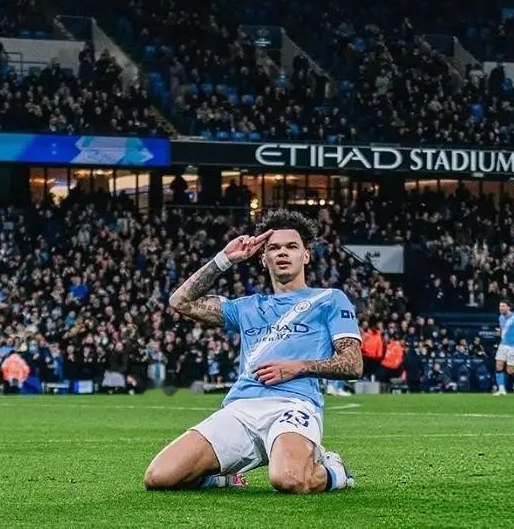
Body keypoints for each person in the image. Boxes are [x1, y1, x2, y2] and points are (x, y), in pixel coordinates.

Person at [144, 210, 362, 494]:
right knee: (159, 477)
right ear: (263, 258)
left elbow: (353, 364)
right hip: (241, 409)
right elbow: (180, 301)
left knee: (289, 479)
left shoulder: (329, 299)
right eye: (274, 248)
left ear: (306, 255)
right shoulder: (246, 307)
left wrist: (298, 367)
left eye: (291, 246)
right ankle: (223, 477)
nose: (282, 252)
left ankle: (335, 469)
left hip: (294, 405)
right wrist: (225, 259)